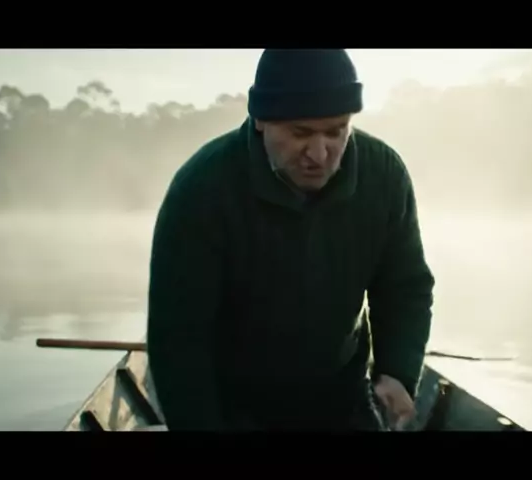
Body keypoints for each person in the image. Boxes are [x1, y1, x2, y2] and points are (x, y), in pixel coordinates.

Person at [146, 49, 435, 431]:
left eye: (336, 131)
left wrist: (397, 370)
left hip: (341, 397)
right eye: (301, 133)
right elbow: (179, 338)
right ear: (261, 119)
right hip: (233, 405)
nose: (319, 153)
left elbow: (405, 287)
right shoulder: (201, 189)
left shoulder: (384, 175)